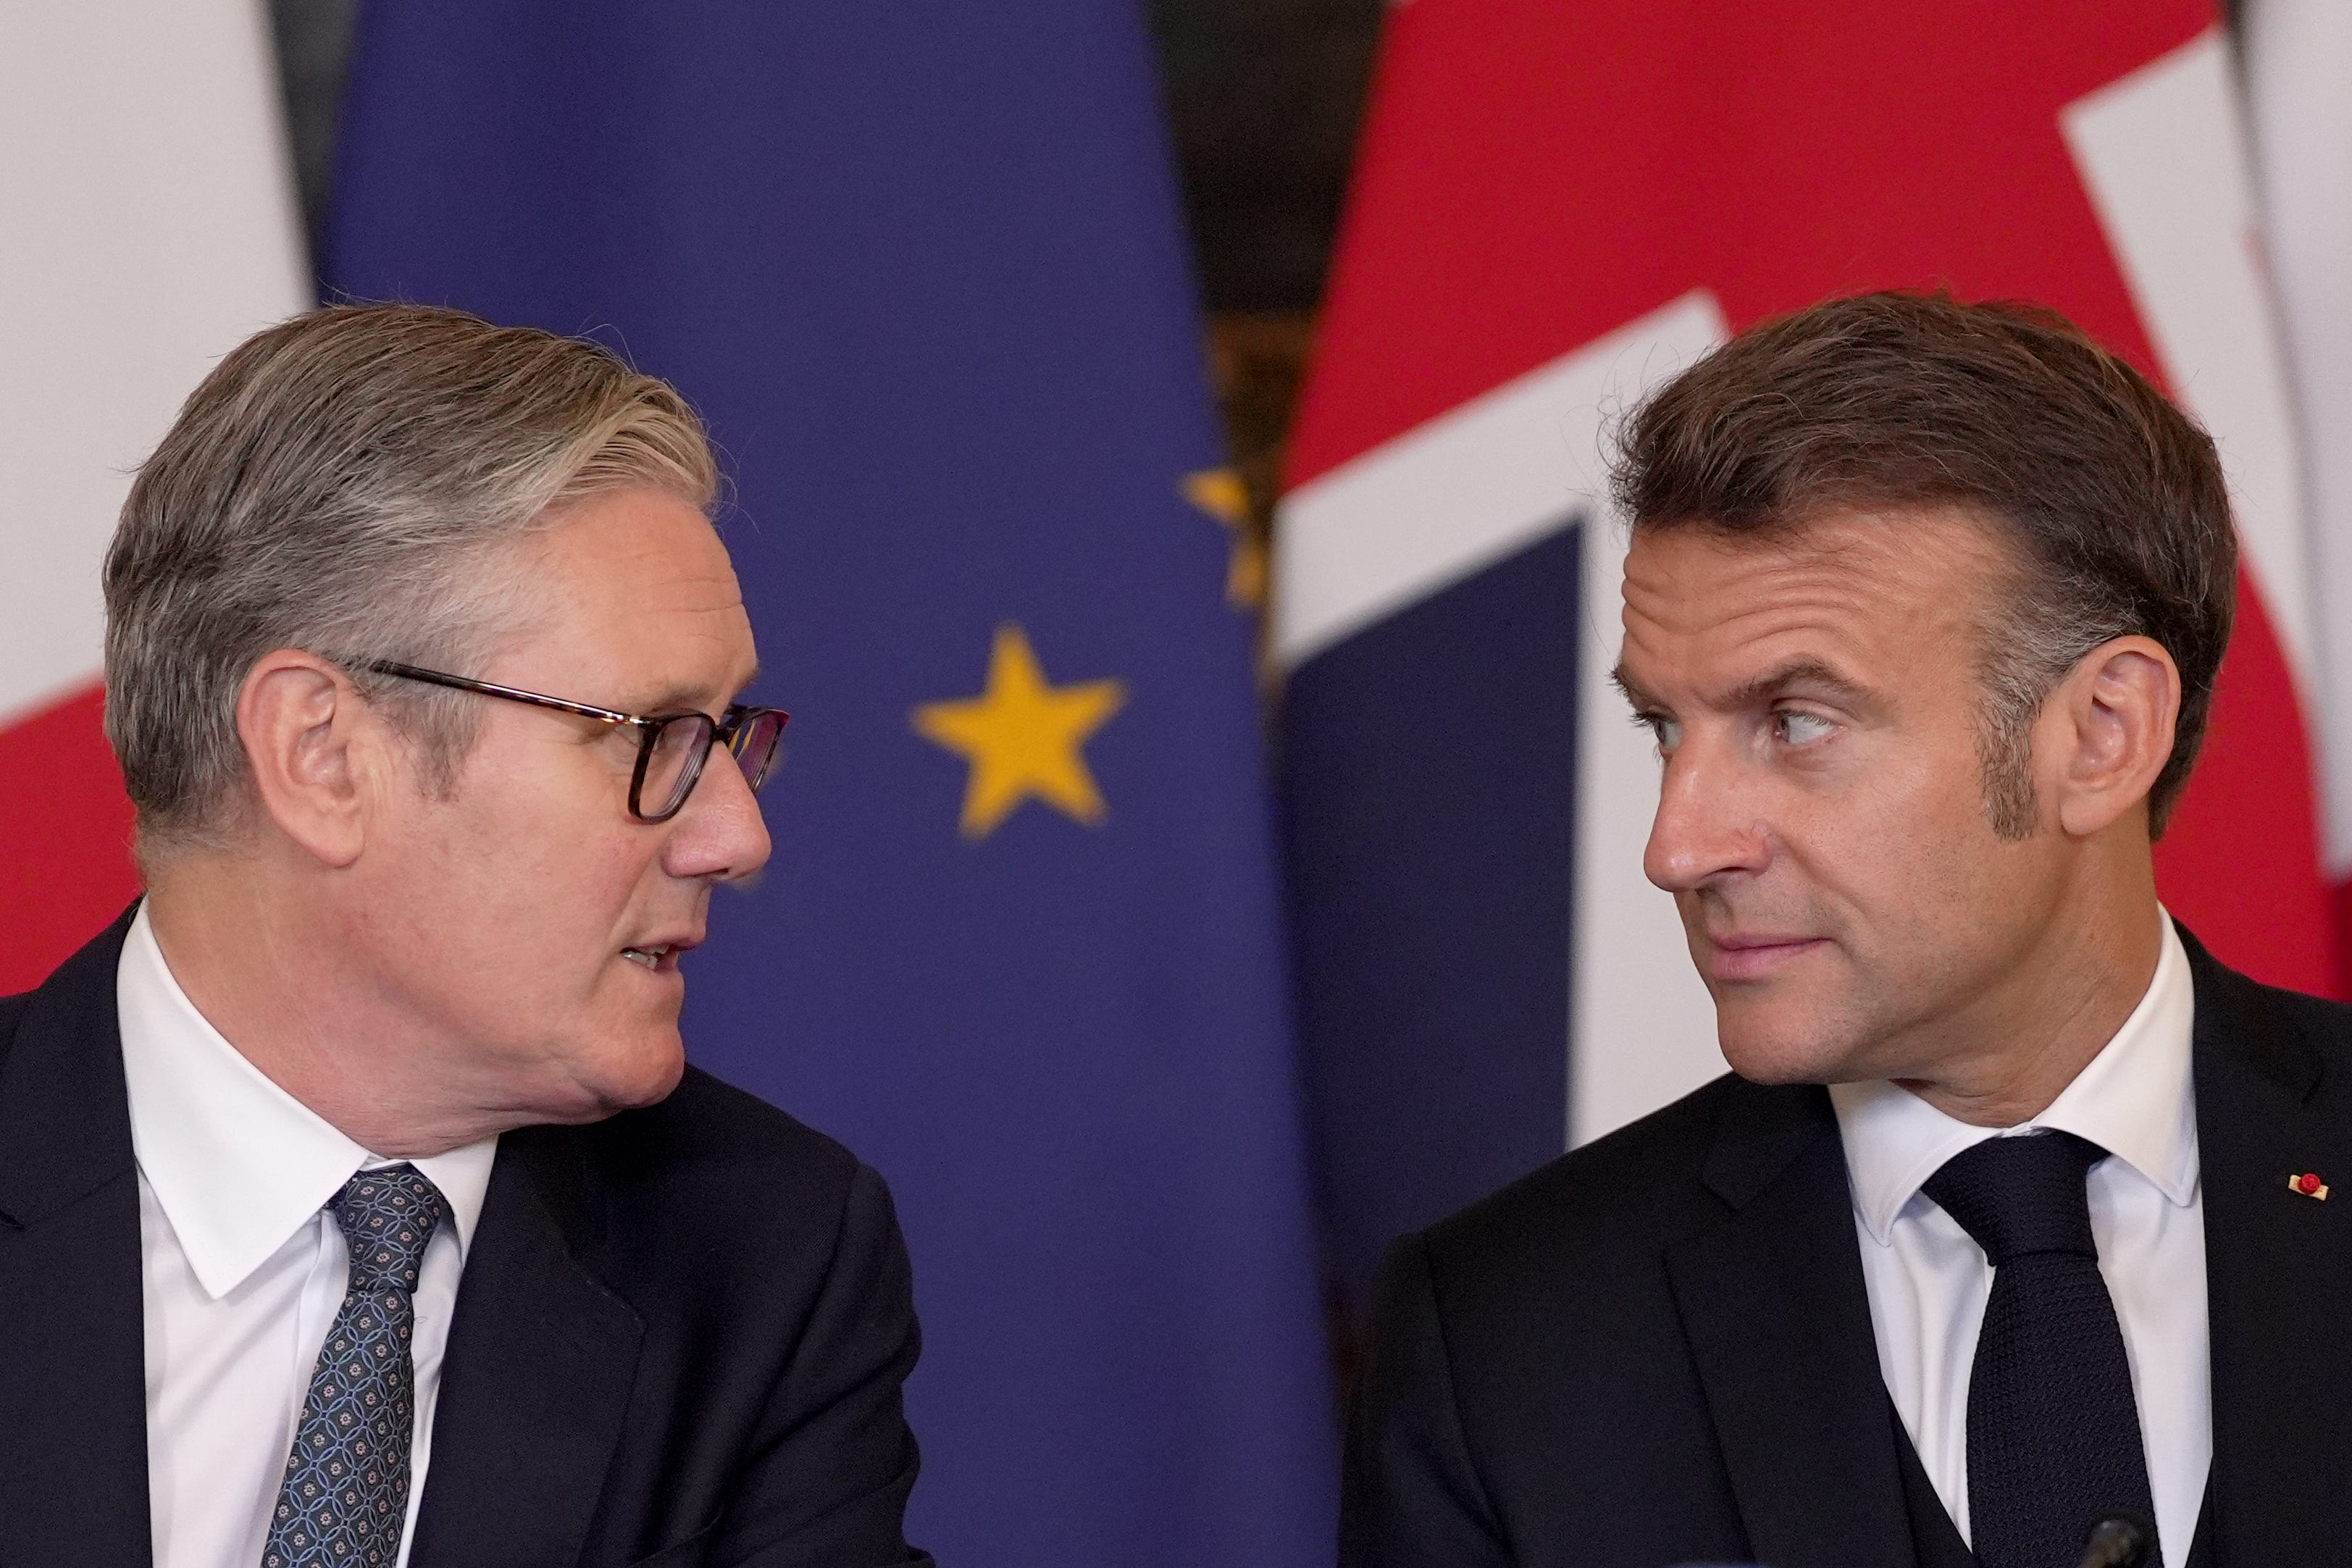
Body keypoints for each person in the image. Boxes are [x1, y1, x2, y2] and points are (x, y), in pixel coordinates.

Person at [1340, 292, 2352, 1568]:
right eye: (1666, 727)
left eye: (1796, 721)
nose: (1678, 846)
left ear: (2102, 734)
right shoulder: (1506, 1341)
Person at [0, 305, 929, 1567]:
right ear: (322, 754)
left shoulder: (765, 1266)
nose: (735, 837)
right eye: (652, 737)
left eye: (729, 739)